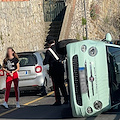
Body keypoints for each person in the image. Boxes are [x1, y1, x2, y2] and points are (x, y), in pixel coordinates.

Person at [43, 36, 68, 106]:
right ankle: (66, 99)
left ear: (48, 43)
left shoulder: (49, 51)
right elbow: (63, 56)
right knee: (62, 85)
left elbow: (46, 61)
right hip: (60, 68)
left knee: (56, 86)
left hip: (54, 69)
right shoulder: (59, 48)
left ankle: (58, 100)